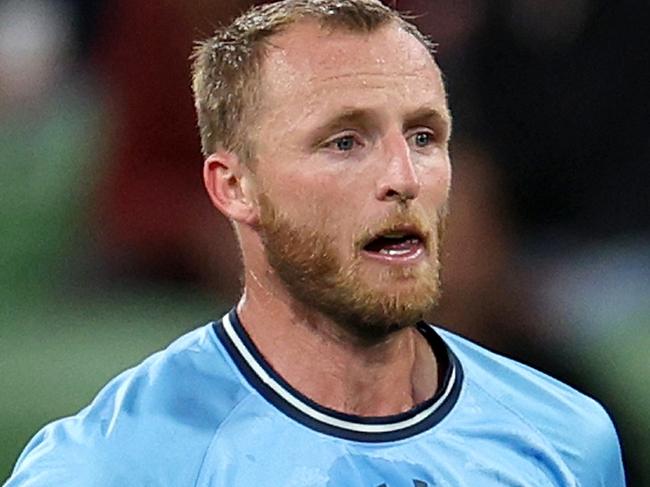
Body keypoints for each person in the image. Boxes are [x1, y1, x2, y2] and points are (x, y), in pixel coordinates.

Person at [5, 1, 625, 485]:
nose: (402, 179)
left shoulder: (567, 436)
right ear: (235, 188)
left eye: (423, 137)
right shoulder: (116, 466)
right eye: (345, 142)